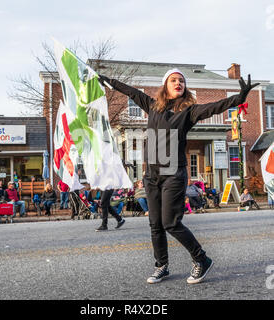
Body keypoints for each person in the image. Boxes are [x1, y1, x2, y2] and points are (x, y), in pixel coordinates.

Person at [98, 70, 258, 284]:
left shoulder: (189, 111)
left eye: (182, 80)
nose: (178, 83)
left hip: (174, 174)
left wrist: (240, 98)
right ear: (165, 85)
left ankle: (202, 259)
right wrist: (109, 81)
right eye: (174, 80)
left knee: (170, 223)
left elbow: (215, 106)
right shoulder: (152, 105)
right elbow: (131, 92)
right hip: (152, 175)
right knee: (155, 224)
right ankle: (161, 266)